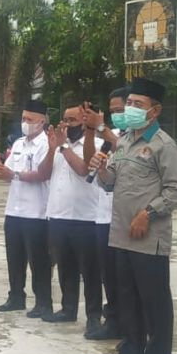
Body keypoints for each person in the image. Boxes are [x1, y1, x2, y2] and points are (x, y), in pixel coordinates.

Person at [90, 77, 177, 354]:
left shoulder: (163, 145)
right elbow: (110, 182)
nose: (129, 108)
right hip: (121, 234)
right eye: (129, 103)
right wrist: (101, 168)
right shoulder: (125, 141)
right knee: (127, 299)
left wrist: (148, 213)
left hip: (149, 238)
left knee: (154, 302)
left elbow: (176, 189)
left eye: (137, 104)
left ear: (154, 111)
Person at [40, 106, 104, 333]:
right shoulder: (57, 146)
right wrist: (52, 149)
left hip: (85, 218)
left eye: (73, 120)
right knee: (65, 267)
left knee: (90, 271)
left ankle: (94, 316)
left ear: (84, 122)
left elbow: (84, 170)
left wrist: (64, 147)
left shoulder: (95, 144)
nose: (67, 124)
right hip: (58, 215)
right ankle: (68, 309)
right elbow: (44, 173)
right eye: (65, 119)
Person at [0, 100, 52, 316]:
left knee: (39, 261)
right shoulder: (18, 144)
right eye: (23, 118)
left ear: (42, 121)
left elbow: (43, 175)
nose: (25, 123)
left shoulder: (47, 144)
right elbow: (9, 172)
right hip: (14, 210)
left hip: (37, 212)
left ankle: (43, 302)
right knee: (14, 257)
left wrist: (13, 174)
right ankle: (16, 296)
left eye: (30, 119)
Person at [83, 88, 128, 340]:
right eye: (112, 111)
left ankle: (131, 323)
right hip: (103, 215)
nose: (116, 115)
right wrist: (91, 131)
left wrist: (101, 127)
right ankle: (113, 322)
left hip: (124, 216)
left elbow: (125, 149)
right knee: (108, 274)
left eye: (120, 110)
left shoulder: (133, 138)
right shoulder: (111, 136)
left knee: (125, 275)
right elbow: (89, 159)